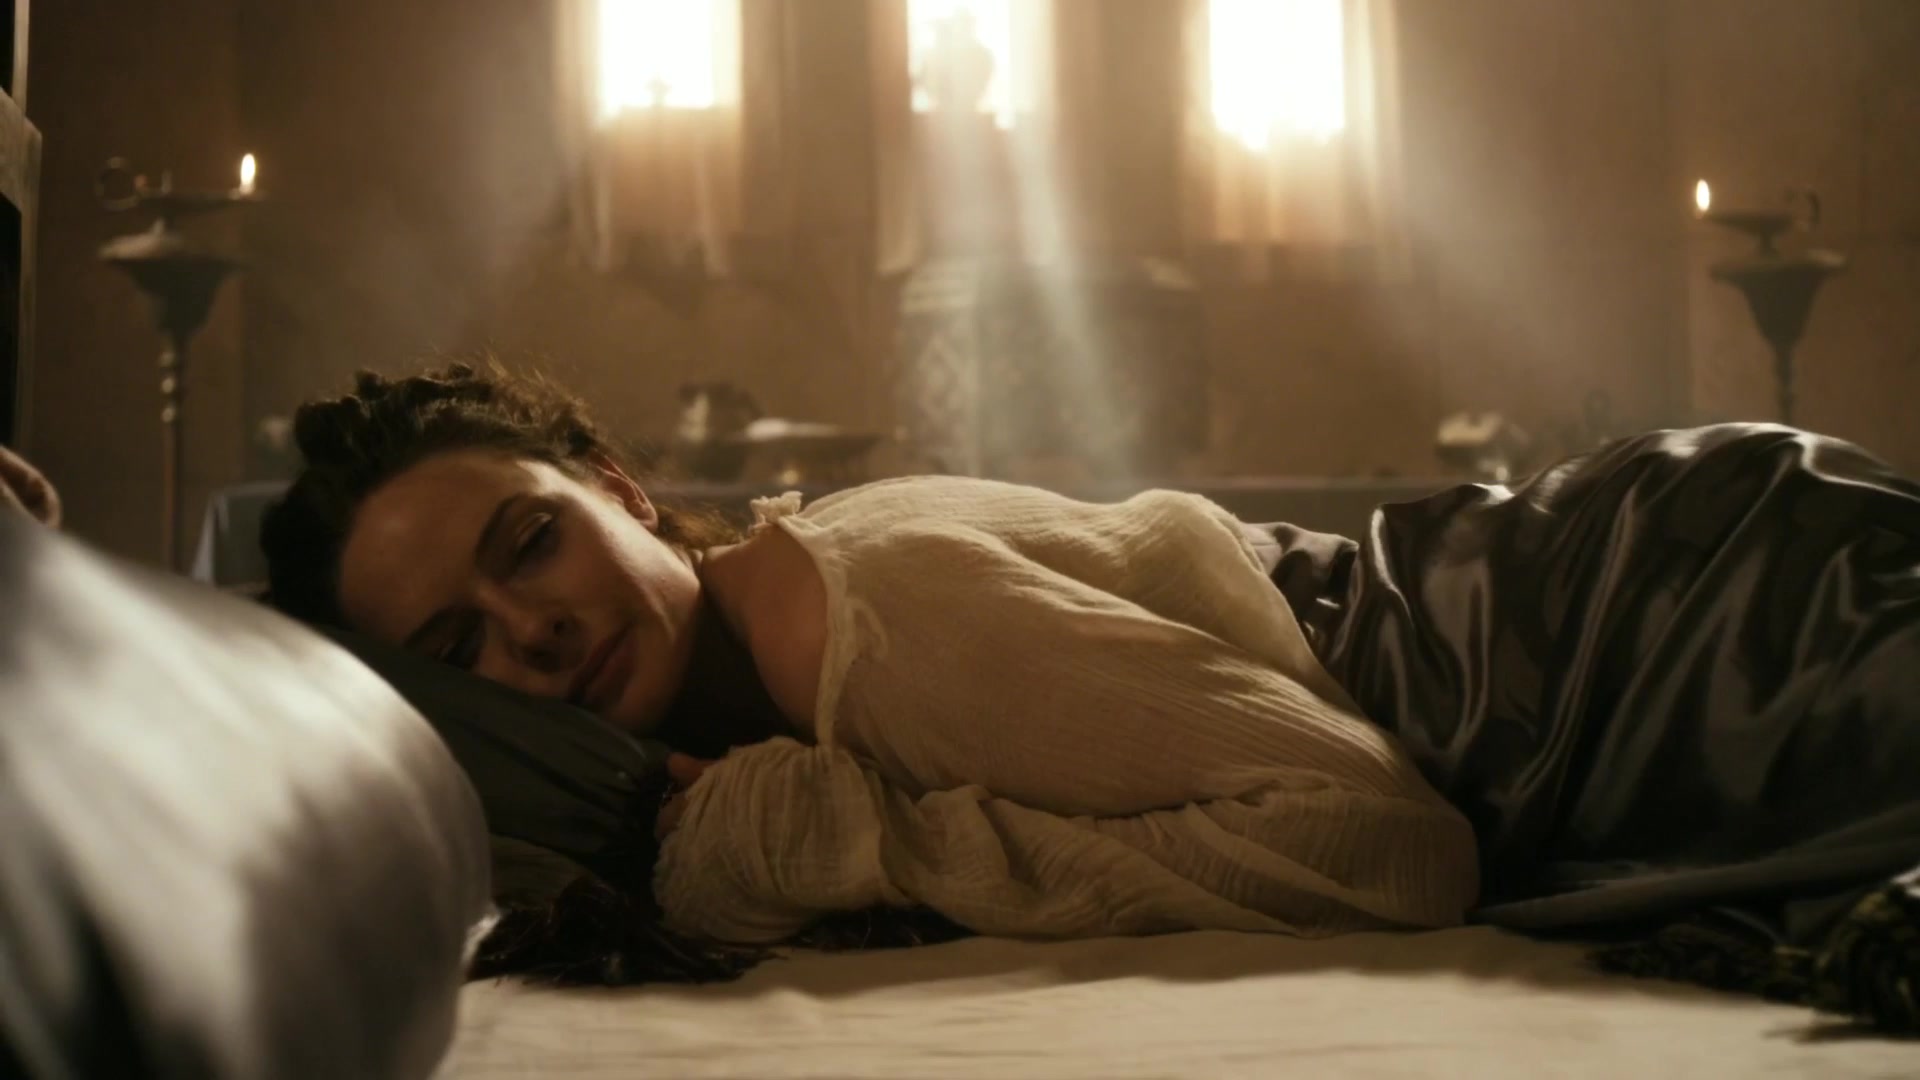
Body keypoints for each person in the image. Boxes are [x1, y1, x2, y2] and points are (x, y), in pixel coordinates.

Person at [256, 362, 1480, 948]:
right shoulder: (749, 669)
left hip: (1552, 660)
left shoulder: (857, 625)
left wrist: (875, 847)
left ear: (619, 490)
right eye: (460, 643)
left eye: (531, 544)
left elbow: (1396, 846)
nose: (531, 631)